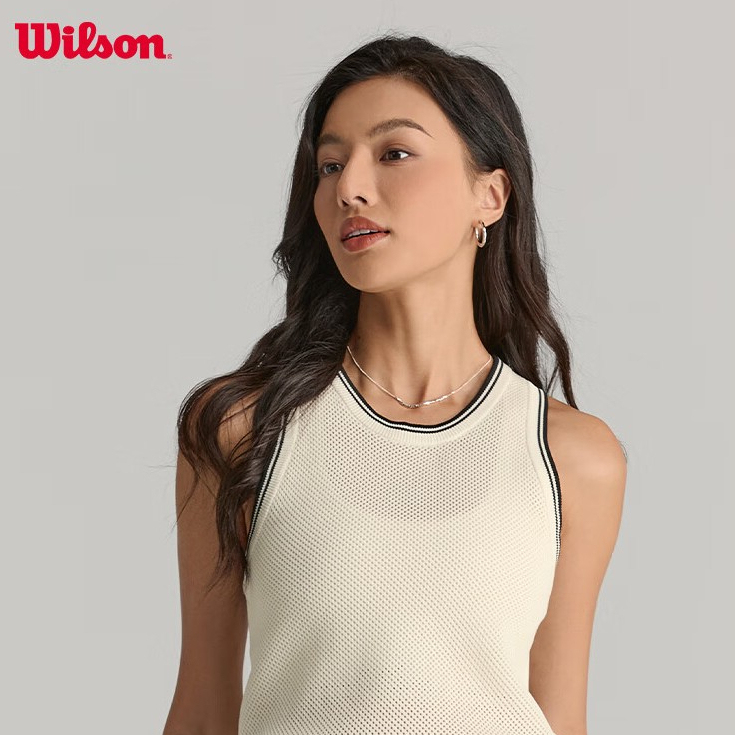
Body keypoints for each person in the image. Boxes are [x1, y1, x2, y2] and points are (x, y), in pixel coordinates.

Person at [162, 33, 627, 735]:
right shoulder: (241, 427)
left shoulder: (572, 457)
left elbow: (561, 719)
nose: (347, 187)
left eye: (394, 153)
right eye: (329, 164)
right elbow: (202, 713)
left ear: (490, 195)